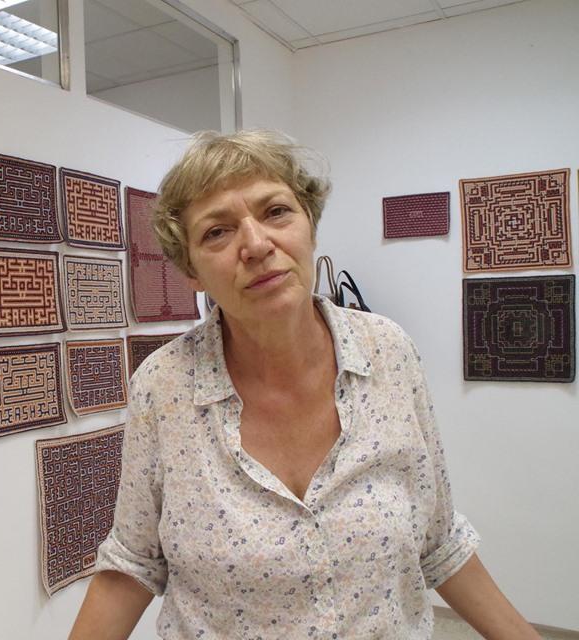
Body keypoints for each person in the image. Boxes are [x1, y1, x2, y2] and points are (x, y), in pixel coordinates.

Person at [69, 130, 539, 639]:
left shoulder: (388, 352)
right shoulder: (163, 387)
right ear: (192, 272)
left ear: (310, 226)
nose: (256, 245)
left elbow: (439, 541)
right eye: (217, 232)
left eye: (276, 212)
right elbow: (132, 565)